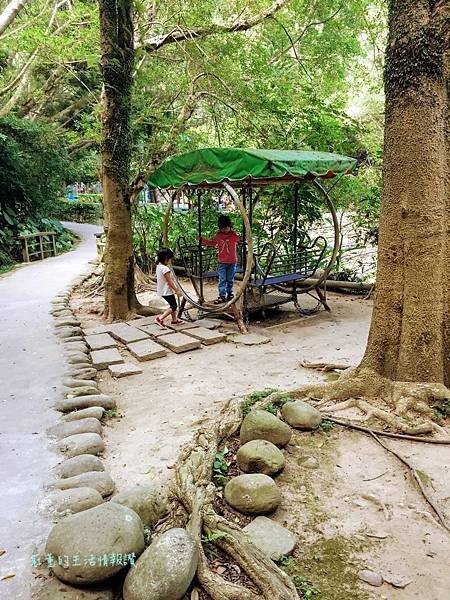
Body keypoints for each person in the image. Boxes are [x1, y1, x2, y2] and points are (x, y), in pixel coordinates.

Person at [201, 214, 241, 303]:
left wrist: (244, 236)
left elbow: (241, 239)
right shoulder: (218, 235)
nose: (224, 230)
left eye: (226, 228)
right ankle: (222, 295)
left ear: (230, 226)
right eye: (222, 228)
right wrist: (203, 240)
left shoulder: (233, 235)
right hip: (222, 262)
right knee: (222, 279)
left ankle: (230, 293)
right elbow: (212, 243)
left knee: (230, 279)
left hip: (232, 262)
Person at [154, 248, 183, 327]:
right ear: (166, 258)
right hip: (166, 291)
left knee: (172, 304)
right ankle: (160, 318)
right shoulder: (165, 269)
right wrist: (177, 290)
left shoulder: (159, 266)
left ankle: (174, 320)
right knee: (174, 306)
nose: (171, 261)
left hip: (162, 290)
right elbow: (169, 281)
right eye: (170, 259)